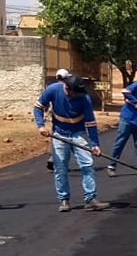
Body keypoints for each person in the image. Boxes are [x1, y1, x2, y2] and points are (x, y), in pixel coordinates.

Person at [34, 75, 108, 212]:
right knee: (60, 167)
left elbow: (90, 123)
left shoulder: (84, 98)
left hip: (78, 134)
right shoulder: (53, 90)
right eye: (75, 93)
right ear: (67, 88)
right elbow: (38, 107)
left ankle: (91, 198)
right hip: (59, 134)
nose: (77, 96)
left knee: (87, 164)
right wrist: (40, 126)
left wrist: (95, 144)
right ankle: (64, 200)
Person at [45, 69, 71, 172]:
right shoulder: (67, 88)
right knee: (65, 141)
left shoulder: (51, 88)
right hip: (67, 120)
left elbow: (44, 103)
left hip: (56, 119)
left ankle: (53, 158)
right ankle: (58, 161)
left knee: (56, 137)